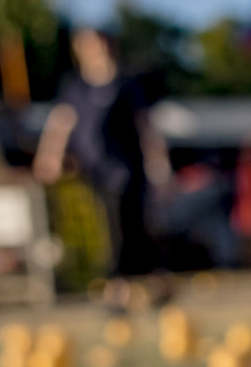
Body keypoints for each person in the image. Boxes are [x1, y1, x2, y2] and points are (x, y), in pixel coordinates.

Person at [32, 27, 168, 297]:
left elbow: (145, 127)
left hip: (126, 168)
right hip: (93, 169)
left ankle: (123, 283)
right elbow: (61, 123)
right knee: (111, 224)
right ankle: (140, 280)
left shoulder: (126, 85)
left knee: (124, 222)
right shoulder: (76, 88)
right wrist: (49, 155)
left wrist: (159, 164)